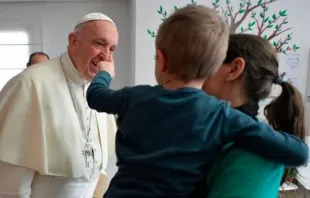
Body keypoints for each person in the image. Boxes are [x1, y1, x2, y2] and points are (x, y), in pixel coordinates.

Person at [87, 5, 308, 198]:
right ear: (212, 67)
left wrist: (105, 73)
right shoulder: (222, 116)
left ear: (161, 60)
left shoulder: (133, 97)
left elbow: (95, 96)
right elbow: (299, 152)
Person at [0, 13, 117, 198]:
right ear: (73, 42)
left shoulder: (98, 90)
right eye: (99, 44)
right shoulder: (30, 84)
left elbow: (95, 167)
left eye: (112, 49)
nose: (106, 57)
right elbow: (11, 184)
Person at [203, 34, 306, 198]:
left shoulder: (254, 153)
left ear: (234, 69)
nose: (195, 73)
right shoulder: (219, 135)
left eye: (205, 64)